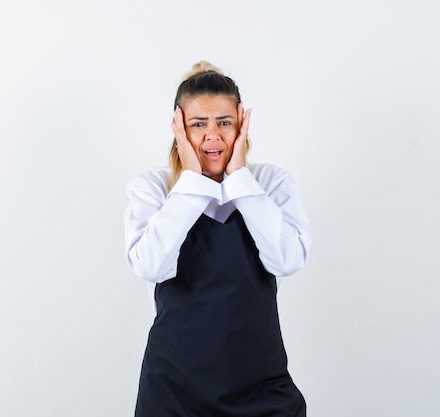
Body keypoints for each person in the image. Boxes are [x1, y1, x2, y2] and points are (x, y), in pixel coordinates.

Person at [124, 61, 313, 417]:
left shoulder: (271, 183)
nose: (213, 136)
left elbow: (288, 260)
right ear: (179, 129)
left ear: (241, 125)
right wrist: (193, 181)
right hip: (172, 391)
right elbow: (150, 265)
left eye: (225, 123)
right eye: (198, 124)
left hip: (262, 386)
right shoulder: (153, 189)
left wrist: (239, 178)